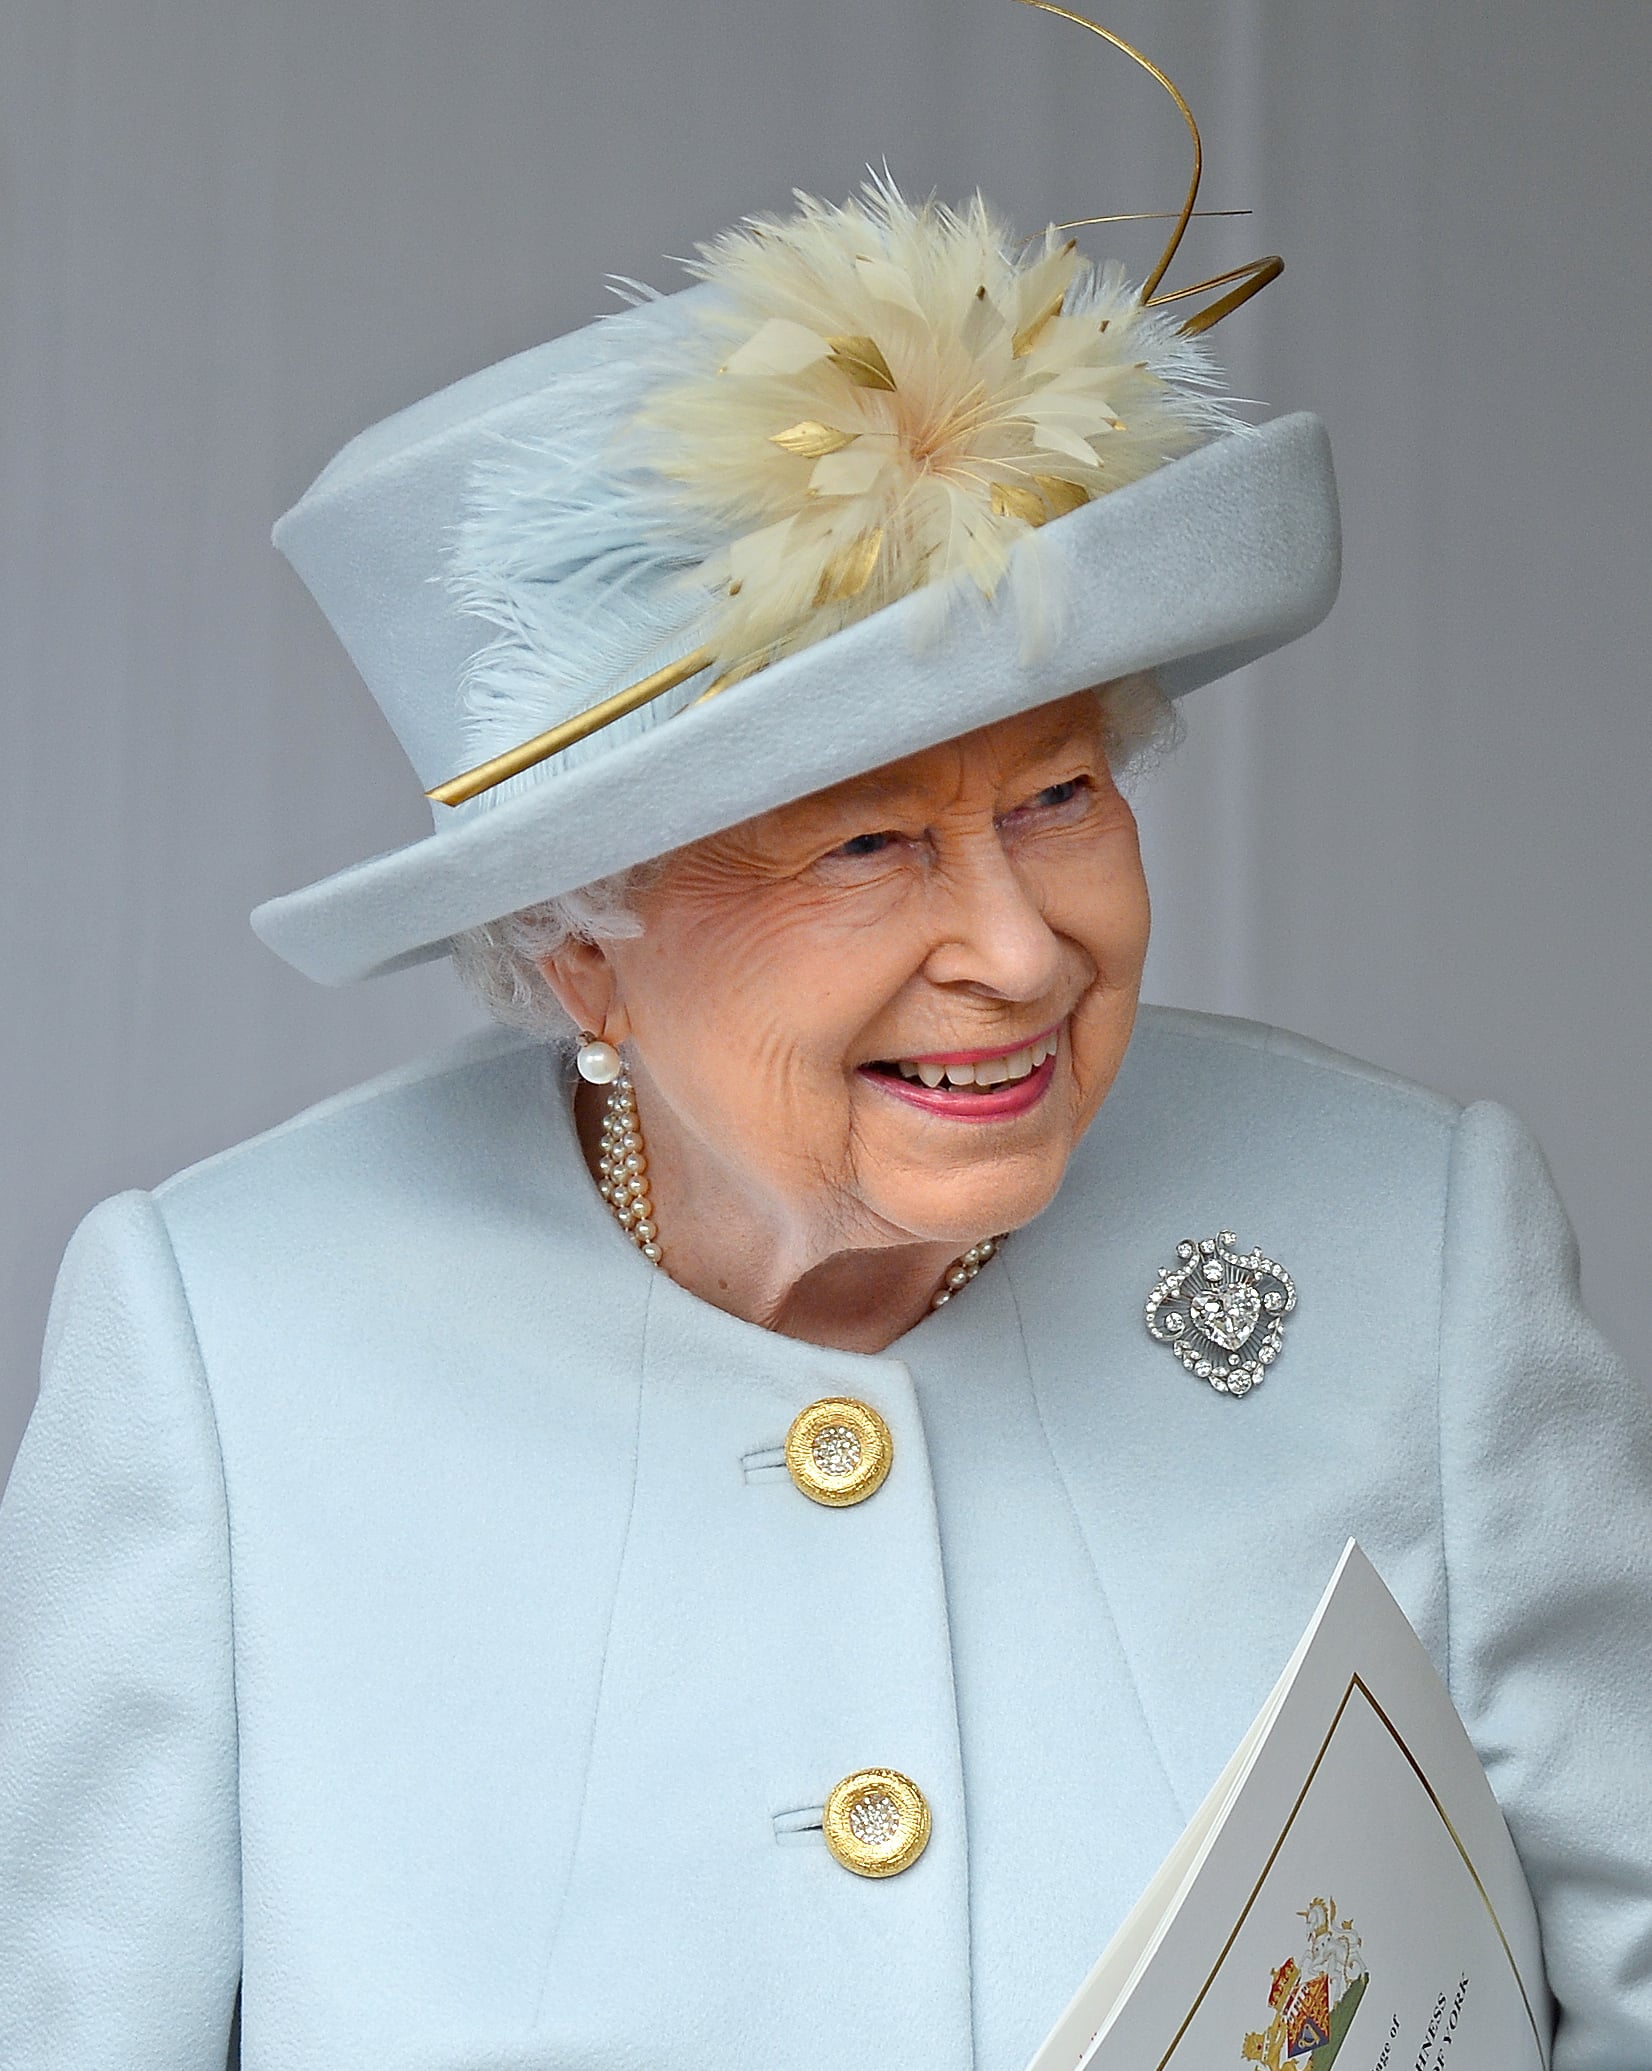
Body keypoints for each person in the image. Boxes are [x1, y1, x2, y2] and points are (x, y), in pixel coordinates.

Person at [3, 21, 1650, 2070]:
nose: (1016, 945)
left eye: (1057, 794)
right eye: (865, 844)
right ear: (576, 951)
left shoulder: (1414, 1247)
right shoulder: (233, 1352)